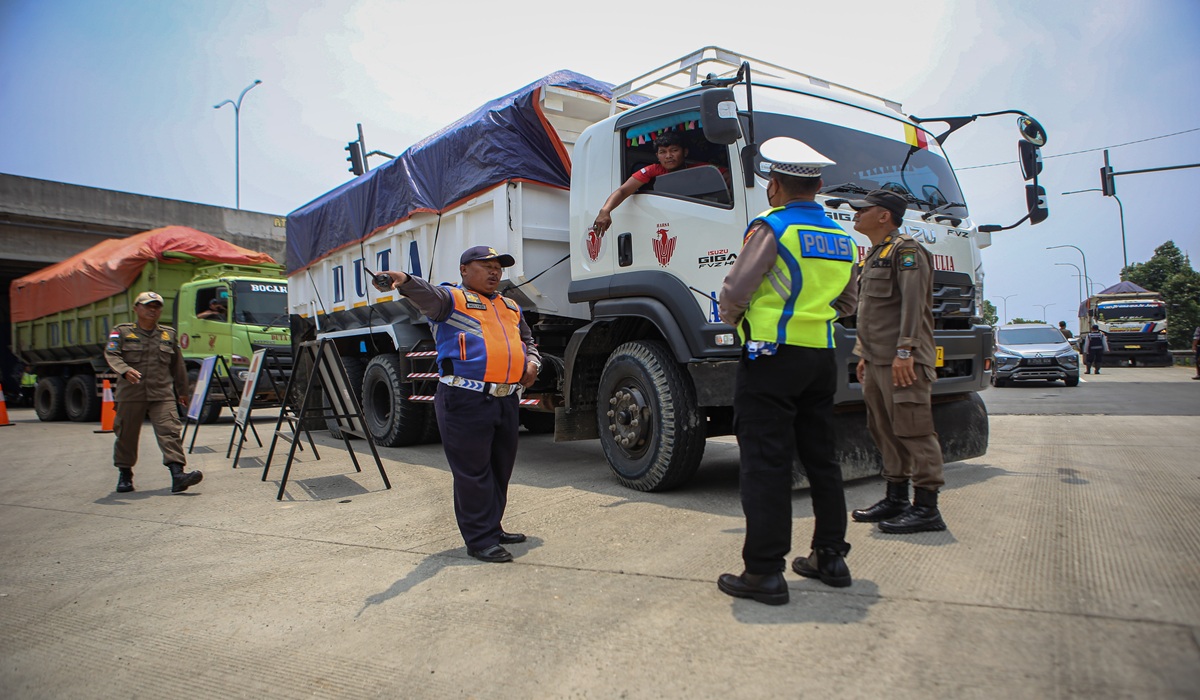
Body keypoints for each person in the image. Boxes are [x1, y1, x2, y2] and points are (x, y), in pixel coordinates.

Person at [715, 137, 859, 605]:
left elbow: (736, 291)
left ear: (775, 186)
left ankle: (763, 572)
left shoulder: (773, 228)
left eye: (770, 185)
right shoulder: (843, 237)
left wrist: (738, 321)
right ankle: (830, 557)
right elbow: (849, 301)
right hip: (822, 356)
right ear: (817, 186)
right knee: (822, 458)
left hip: (771, 356)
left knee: (766, 462)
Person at [374, 247, 541, 563]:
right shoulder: (449, 300)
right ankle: (479, 540)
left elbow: (528, 342)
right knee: (473, 472)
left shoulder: (510, 306)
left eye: (498, 268)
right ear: (465, 270)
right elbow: (425, 293)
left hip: (505, 398)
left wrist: (533, 363)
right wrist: (403, 279)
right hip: (465, 399)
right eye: (486, 266)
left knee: (499, 469)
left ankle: (492, 526)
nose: (494, 272)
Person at [848, 189, 948, 535]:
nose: (855, 214)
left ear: (884, 215)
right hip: (877, 362)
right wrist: (863, 354)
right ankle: (896, 498)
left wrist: (905, 352)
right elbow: (869, 312)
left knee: (914, 429)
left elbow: (913, 306)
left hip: (902, 361)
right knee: (884, 430)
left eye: (863, 209)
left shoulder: (907, 252)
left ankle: (927, 508)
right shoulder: (876, 254)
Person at [104, 291, 203, 494]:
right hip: (131, 393)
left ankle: (177, 475)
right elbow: (111, 354)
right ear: (136, 308)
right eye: (148, 305)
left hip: (162, 393)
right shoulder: (121, 332)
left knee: (170, 431)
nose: (152, 309)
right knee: (126, 435)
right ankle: (125, 475)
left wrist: (182, 392)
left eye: (156, 306)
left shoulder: (168, 334)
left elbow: (178, 365)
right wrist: (125, 370)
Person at [591, 131, 690, 234]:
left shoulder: (701, 169)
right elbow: (623, 191)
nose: (668, 156)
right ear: (657, 156)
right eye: (662, 152)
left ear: (685, 152)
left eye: (674, 150)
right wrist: (605, 211)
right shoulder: (653, 170)